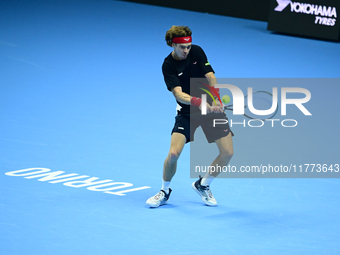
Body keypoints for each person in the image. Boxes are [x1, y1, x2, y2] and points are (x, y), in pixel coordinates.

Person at [146, 25, 233, 207]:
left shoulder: (197, 51)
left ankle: (203, 185)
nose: (186, 50)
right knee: (173, 154)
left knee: (227, 153)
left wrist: (216, 97)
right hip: (187, 111)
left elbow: (210, 75)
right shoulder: (168, 65)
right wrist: (200, 103)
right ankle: (164, 191)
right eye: (182, 47)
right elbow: (178, 94)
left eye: (188, 46)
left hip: (211, 109)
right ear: (172, 45)